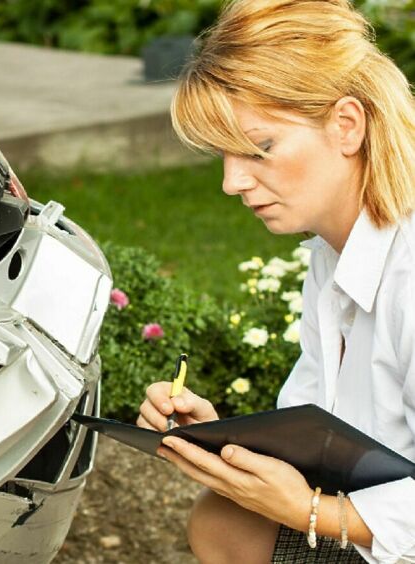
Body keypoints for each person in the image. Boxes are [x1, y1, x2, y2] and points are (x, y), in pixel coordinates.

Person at [136, 0, 415, 562]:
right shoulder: (332, 255)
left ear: (346, 126)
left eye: (259, 149)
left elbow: (322, 496)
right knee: (226, 522)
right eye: (223, 155)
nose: (231, 182)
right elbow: (322, 434)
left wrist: (310, 512)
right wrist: (223, 442)